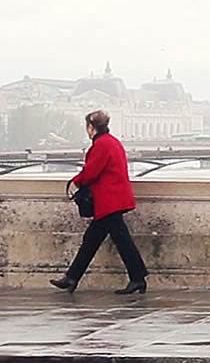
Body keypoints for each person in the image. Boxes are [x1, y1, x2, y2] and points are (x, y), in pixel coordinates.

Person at [51, 110, 148, 294]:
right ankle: (72, 278)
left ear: (91, 127)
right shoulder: (112, 142)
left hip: (109, 201)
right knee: (94, 240)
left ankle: (137, 279)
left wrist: (76, 180)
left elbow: (91, 172)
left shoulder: (101, 145)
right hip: (114, 198)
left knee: (118, 241)